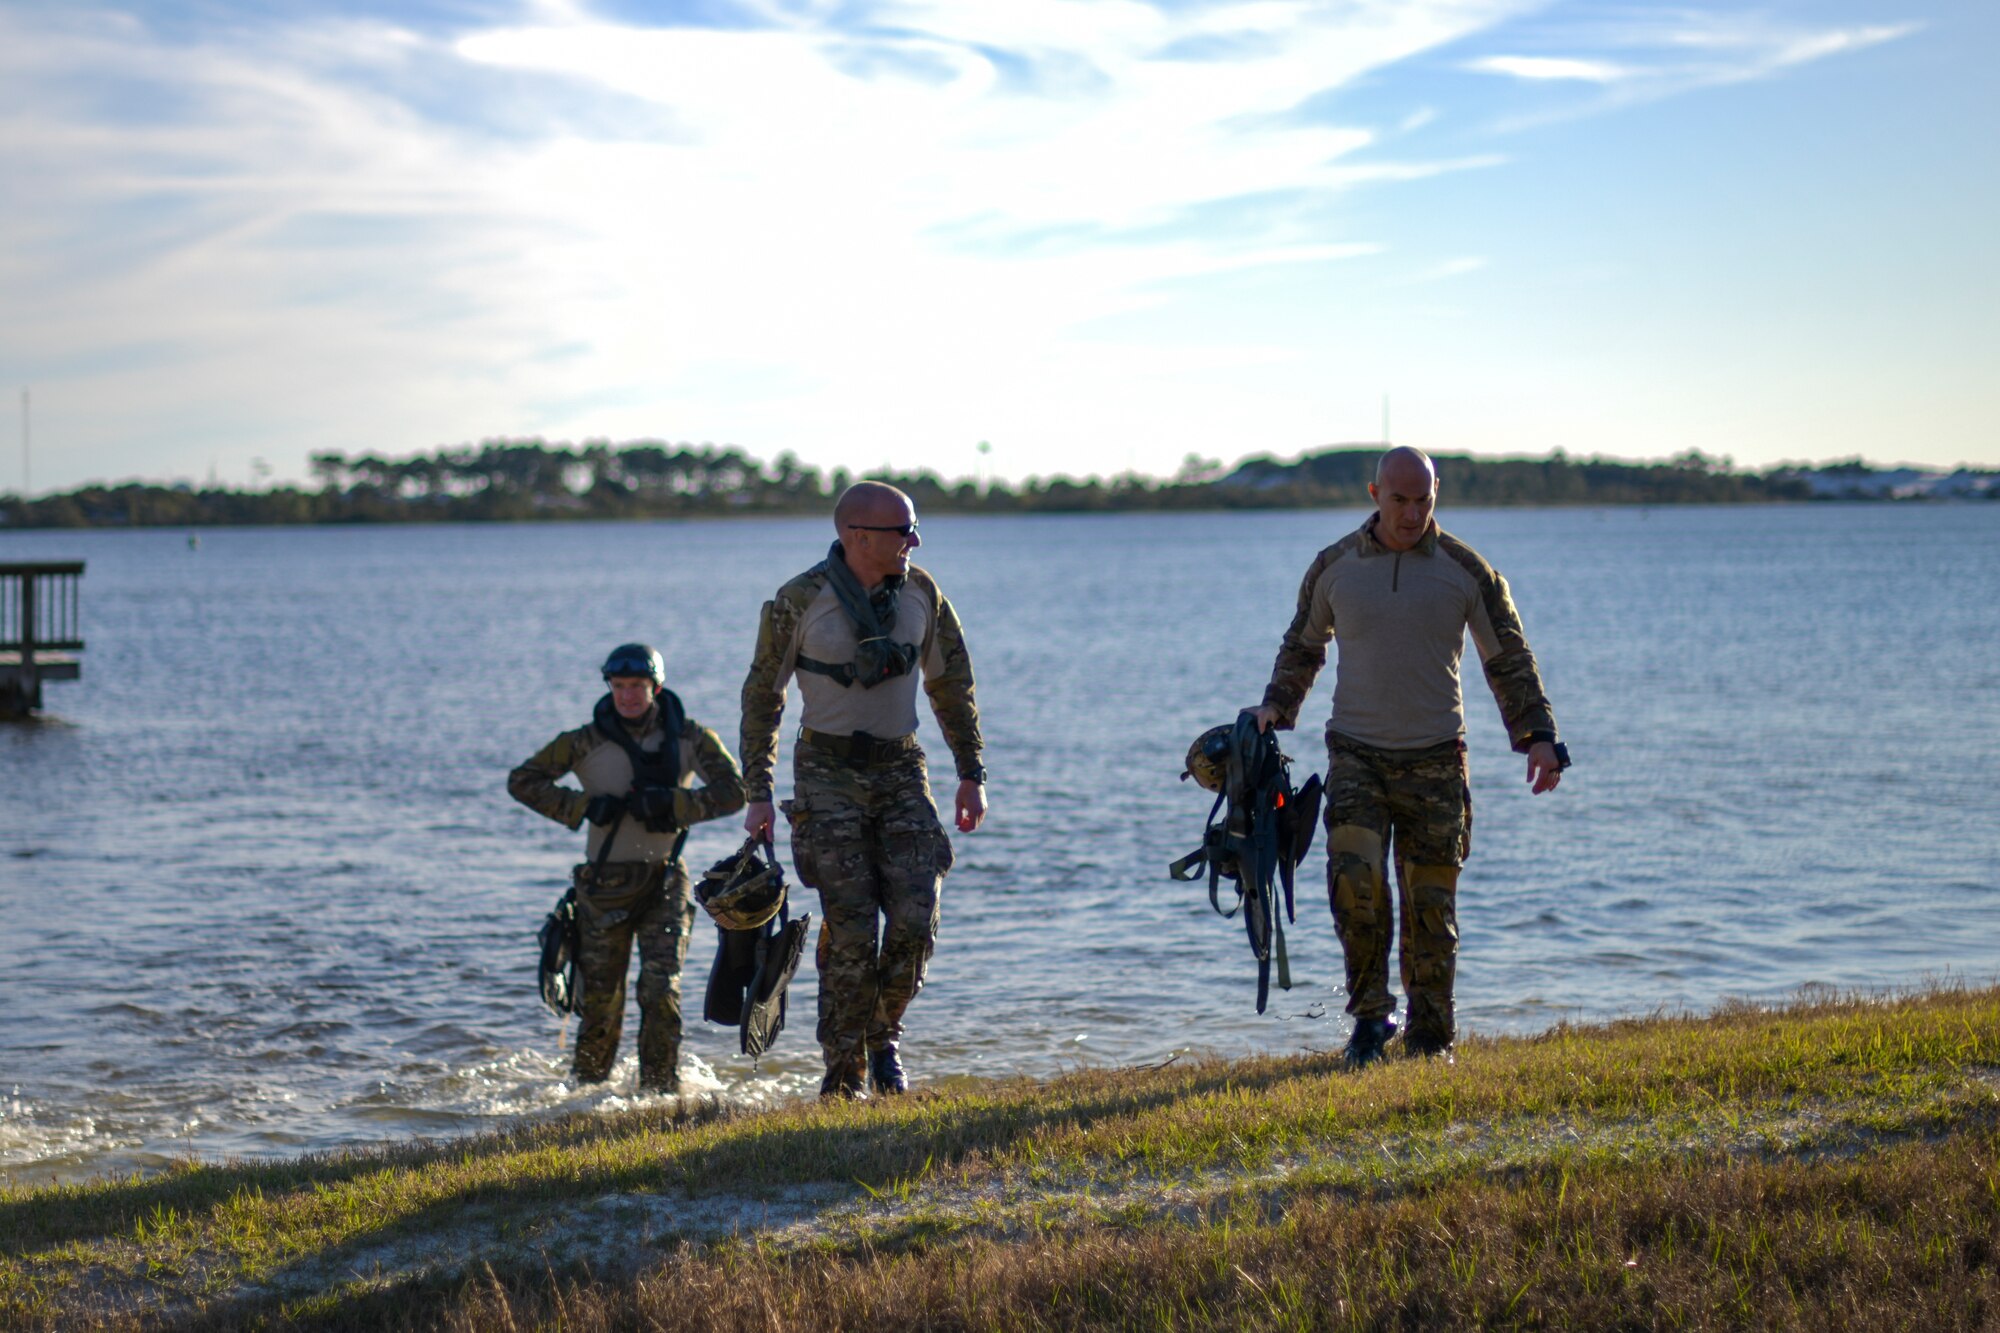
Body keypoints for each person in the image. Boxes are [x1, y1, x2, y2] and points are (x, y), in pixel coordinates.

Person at [1250, 446, 1568, 1065]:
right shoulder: (1334, 567)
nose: (1412, 513)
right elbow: (1302, 646)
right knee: (1356, 886)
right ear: (1375, 495)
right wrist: (1275, 709)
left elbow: (1507, 655)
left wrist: (1540, 736)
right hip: (1357, 755)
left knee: (1431, 909)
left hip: (1437, 761)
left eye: (1424, 500)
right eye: (1400, 500)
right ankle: (1371, 1022)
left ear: (1436, 494)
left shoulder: (1465, 569)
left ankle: (1431, 1037)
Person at [739, 481, 987, 1099]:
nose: (914, 540)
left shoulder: (923, 593)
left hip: (903, 768)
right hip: (825, 772)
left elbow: (952, 686)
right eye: (902, 530)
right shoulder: (800, 601)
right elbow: (763, 697)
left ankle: (885, 1039)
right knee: (851, 930)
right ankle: (843, 1070)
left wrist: (971, 773)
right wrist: (759, 791)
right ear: (857, 536)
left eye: (914, 528)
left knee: (914, 919)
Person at [508, 643, 745, 1093]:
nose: (628, 696)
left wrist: (674, 804)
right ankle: (586, 1094)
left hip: (666, 882)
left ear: (656, 687)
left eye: (637, 687)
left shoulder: (691, 737)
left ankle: (658, 1093)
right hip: (602, 886)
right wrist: (581, 807)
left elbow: (735, 792)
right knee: (600, 1001)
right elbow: (522, 780)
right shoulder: (583, 741)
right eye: (619, 687)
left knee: (660, 992)